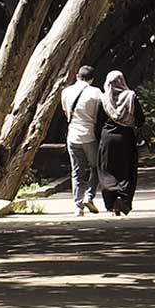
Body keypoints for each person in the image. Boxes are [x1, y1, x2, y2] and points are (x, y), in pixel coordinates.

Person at [95, 70, 145, 216]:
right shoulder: (131, 97)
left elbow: (98, 122)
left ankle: (111, 202)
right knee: (127, 170)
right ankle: (123, 199)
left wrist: (100, 140)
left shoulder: (103, 99)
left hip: (107, 139)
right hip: (126, 138)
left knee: (106, 170)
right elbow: (141, 119)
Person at [60, 65, 102, 216]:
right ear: (92, 79)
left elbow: (66, 113)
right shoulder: (96, 92)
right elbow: (100, 114)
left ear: (77, 76)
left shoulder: (66, 92)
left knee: (76, 171)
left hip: (72, 136)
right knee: (96, 168)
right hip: (89, 136)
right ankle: (89, 196)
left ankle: (77, 207)